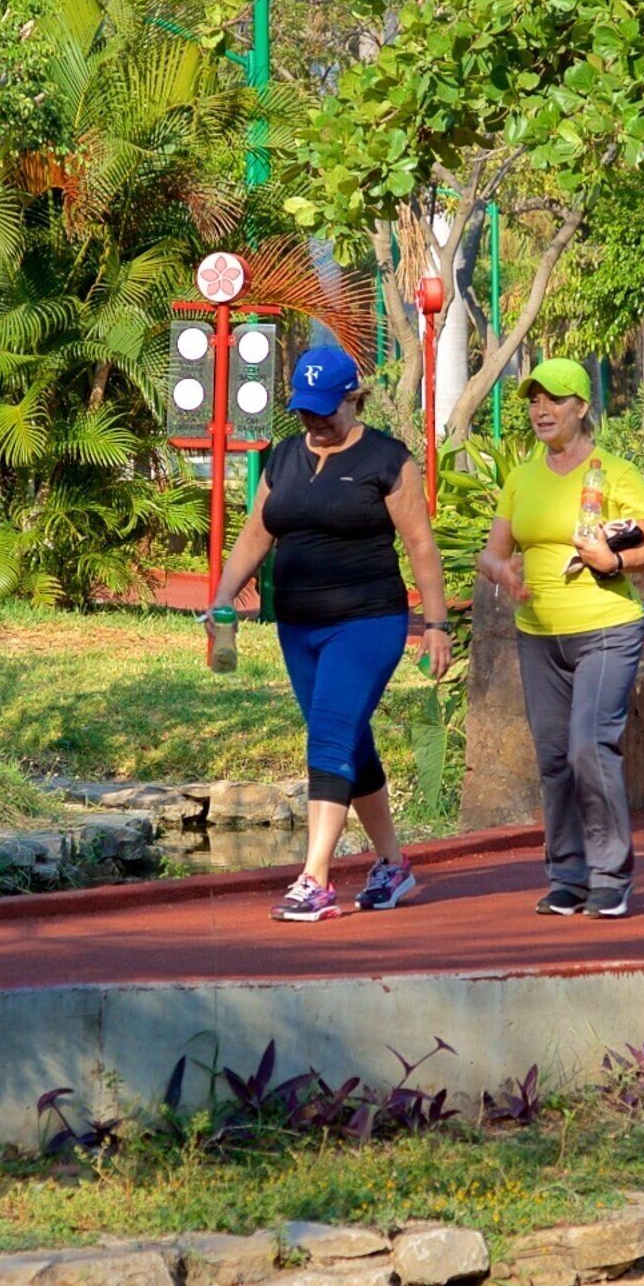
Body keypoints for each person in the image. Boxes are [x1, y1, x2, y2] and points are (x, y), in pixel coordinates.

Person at [205, 342, 450, 923]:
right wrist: (222, 599)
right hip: (300, 625)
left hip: (367, 621)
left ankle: (314, 879)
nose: (314, 422)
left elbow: (420, 544)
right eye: (304, 411)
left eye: (325, 411)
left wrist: (436, 624)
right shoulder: (286, 456)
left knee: (331, 735)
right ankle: (393, 864)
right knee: (344, 736)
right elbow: (256, 534)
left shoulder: (387, 460)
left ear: (353, 399)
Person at [476, 358, 644, 918]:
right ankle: (568, 874)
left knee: (590, 747)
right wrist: (500, 571)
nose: (541, 409)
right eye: (534, 399)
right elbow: (492, 550)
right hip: (538, 636)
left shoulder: (615, 473)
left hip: (605, 629)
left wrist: (613, 558)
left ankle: (611, 875)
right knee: (556, 757)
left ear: (582, 408)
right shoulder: (523, 477)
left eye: (554, 399)